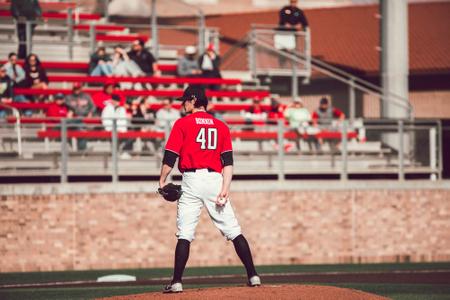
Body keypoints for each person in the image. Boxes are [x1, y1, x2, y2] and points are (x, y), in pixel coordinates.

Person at [159, 85, 261, 293]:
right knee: (233, 230)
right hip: (215, 180)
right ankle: (253, 275)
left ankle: (177, 281)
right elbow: (228, 162)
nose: (183, 103)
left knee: (185, 233)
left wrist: (162, 181)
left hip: (192, 180)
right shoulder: (221, 126)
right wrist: (225, 187)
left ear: (194, 100)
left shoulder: (182, 123)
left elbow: (170, 157)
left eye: (185, 100)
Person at [65, 83, 95, 151]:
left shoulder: (86, 96)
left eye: (78, 88)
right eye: (75, 88)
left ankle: (81, 147)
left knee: (80, 127)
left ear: (81, 88)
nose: (76, 90)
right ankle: (82, 148)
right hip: (73, 119)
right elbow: (65, 107)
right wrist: (69, 112)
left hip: (84, 117)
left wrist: (90, 113)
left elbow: (93, 106)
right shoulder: (68, 97)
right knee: (80, 127)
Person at [102, 94, 132, 159]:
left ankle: (124, 152)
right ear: (112, 101)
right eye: (115, 100)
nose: (117, 102)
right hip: (110, 129)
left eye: (118, 101)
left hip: (120, 129)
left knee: (131, 135)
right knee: (114, 136)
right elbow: (105, 121)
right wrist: (113, 128)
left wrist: (119, 129)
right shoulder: (107, 109)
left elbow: (123, 121)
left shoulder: (122, 109)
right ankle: (115, 153)